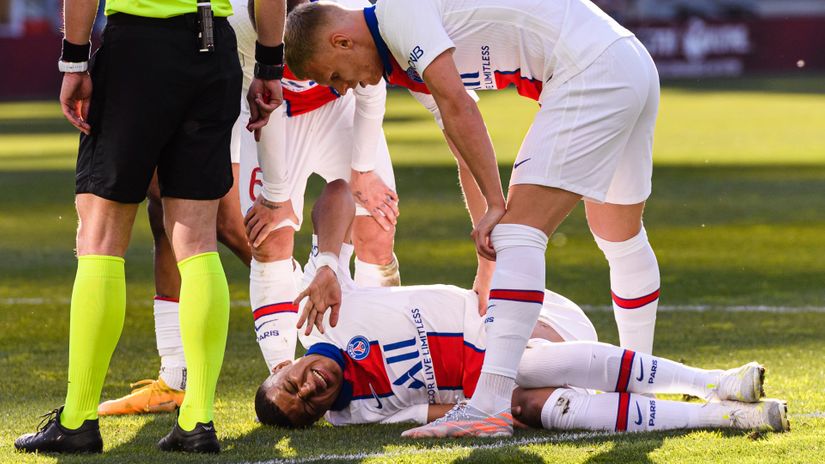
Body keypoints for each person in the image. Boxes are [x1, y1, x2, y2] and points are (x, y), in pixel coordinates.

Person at [283, 0, 662, 437]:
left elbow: (460, 105)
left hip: (589, 69)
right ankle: (642, 390)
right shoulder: (399, 50)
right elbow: (459, 137)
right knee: (619, 237)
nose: (343, 88)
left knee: (519, 233)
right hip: (626, 60)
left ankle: (489, 403)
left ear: (342, 40)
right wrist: (486, 269)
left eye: (332, 75)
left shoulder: (398, 16)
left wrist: (500, 206)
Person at [253, 184, 788, 434]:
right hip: (498, 374)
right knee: (526, 403)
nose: (310, 389)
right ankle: (719, 414)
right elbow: (440, 414)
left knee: (520, 364)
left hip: (527, 316)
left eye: (292, 383)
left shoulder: (323, 312)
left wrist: (325, 260)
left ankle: (713, 380)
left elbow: (339, 194)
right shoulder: (355, 413)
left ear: (284, 365)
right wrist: (499, 413)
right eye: (308, 406)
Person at [13, 0, 285, 455]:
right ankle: (197, 419)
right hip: (213, 53)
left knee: (100, 238)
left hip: (138, 51)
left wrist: (75, 60)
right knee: (197, 242)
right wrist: (270, 65)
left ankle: (77, 420)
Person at [236, 0, 402, 373]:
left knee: (377, 229)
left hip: (337, 112)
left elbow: (369, 81)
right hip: (276, 115)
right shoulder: (239, 20)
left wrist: (362, 169)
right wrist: (276, 197)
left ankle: (378, 357)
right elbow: (266, 100)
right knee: (270, 237)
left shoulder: (347, 9)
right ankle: (282, 370)